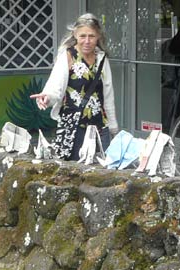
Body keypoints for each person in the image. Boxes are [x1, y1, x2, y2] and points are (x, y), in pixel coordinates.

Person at [30, 13, 118, 161]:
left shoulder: (102, 59)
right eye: (83, 36)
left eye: (92, 36)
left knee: (100, 168)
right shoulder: (67, 56)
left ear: (98, 37)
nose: (87, 41)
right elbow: (55, 86)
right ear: (75, 34)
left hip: (98, 126)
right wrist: (47, 97)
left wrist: (113, 127)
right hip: (73, 126)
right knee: (73, 170)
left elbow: (108, 95)